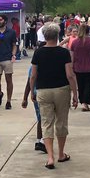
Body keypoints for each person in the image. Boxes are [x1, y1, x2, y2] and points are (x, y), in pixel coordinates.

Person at [29, 23, 78, 169]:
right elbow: (70, 75)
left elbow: (33, 76)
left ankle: (50, 157)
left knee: (46, 122)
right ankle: (61, 153)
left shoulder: (38, 53)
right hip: (61, 89)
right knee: (61, 122)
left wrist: (32, 91)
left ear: (44, 36)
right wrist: (75, 93)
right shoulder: (64, 53)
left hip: (43, 90)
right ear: (58, 36)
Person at [70, 23, 90, 112]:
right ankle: (86, 102)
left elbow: (72, 56)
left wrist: (71, 66)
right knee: (89, 85)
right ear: (88, 31)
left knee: (81, 85)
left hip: (78, 67)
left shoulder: (74, 42)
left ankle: (83, 101)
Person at [22, 65, 46, 153]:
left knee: (40, 118)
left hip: (36, 95)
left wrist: (25, 98)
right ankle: (43, 141)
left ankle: (38, 140)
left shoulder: (32, 67)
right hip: (44, 94)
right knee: (47, 119)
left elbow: (29, 82)